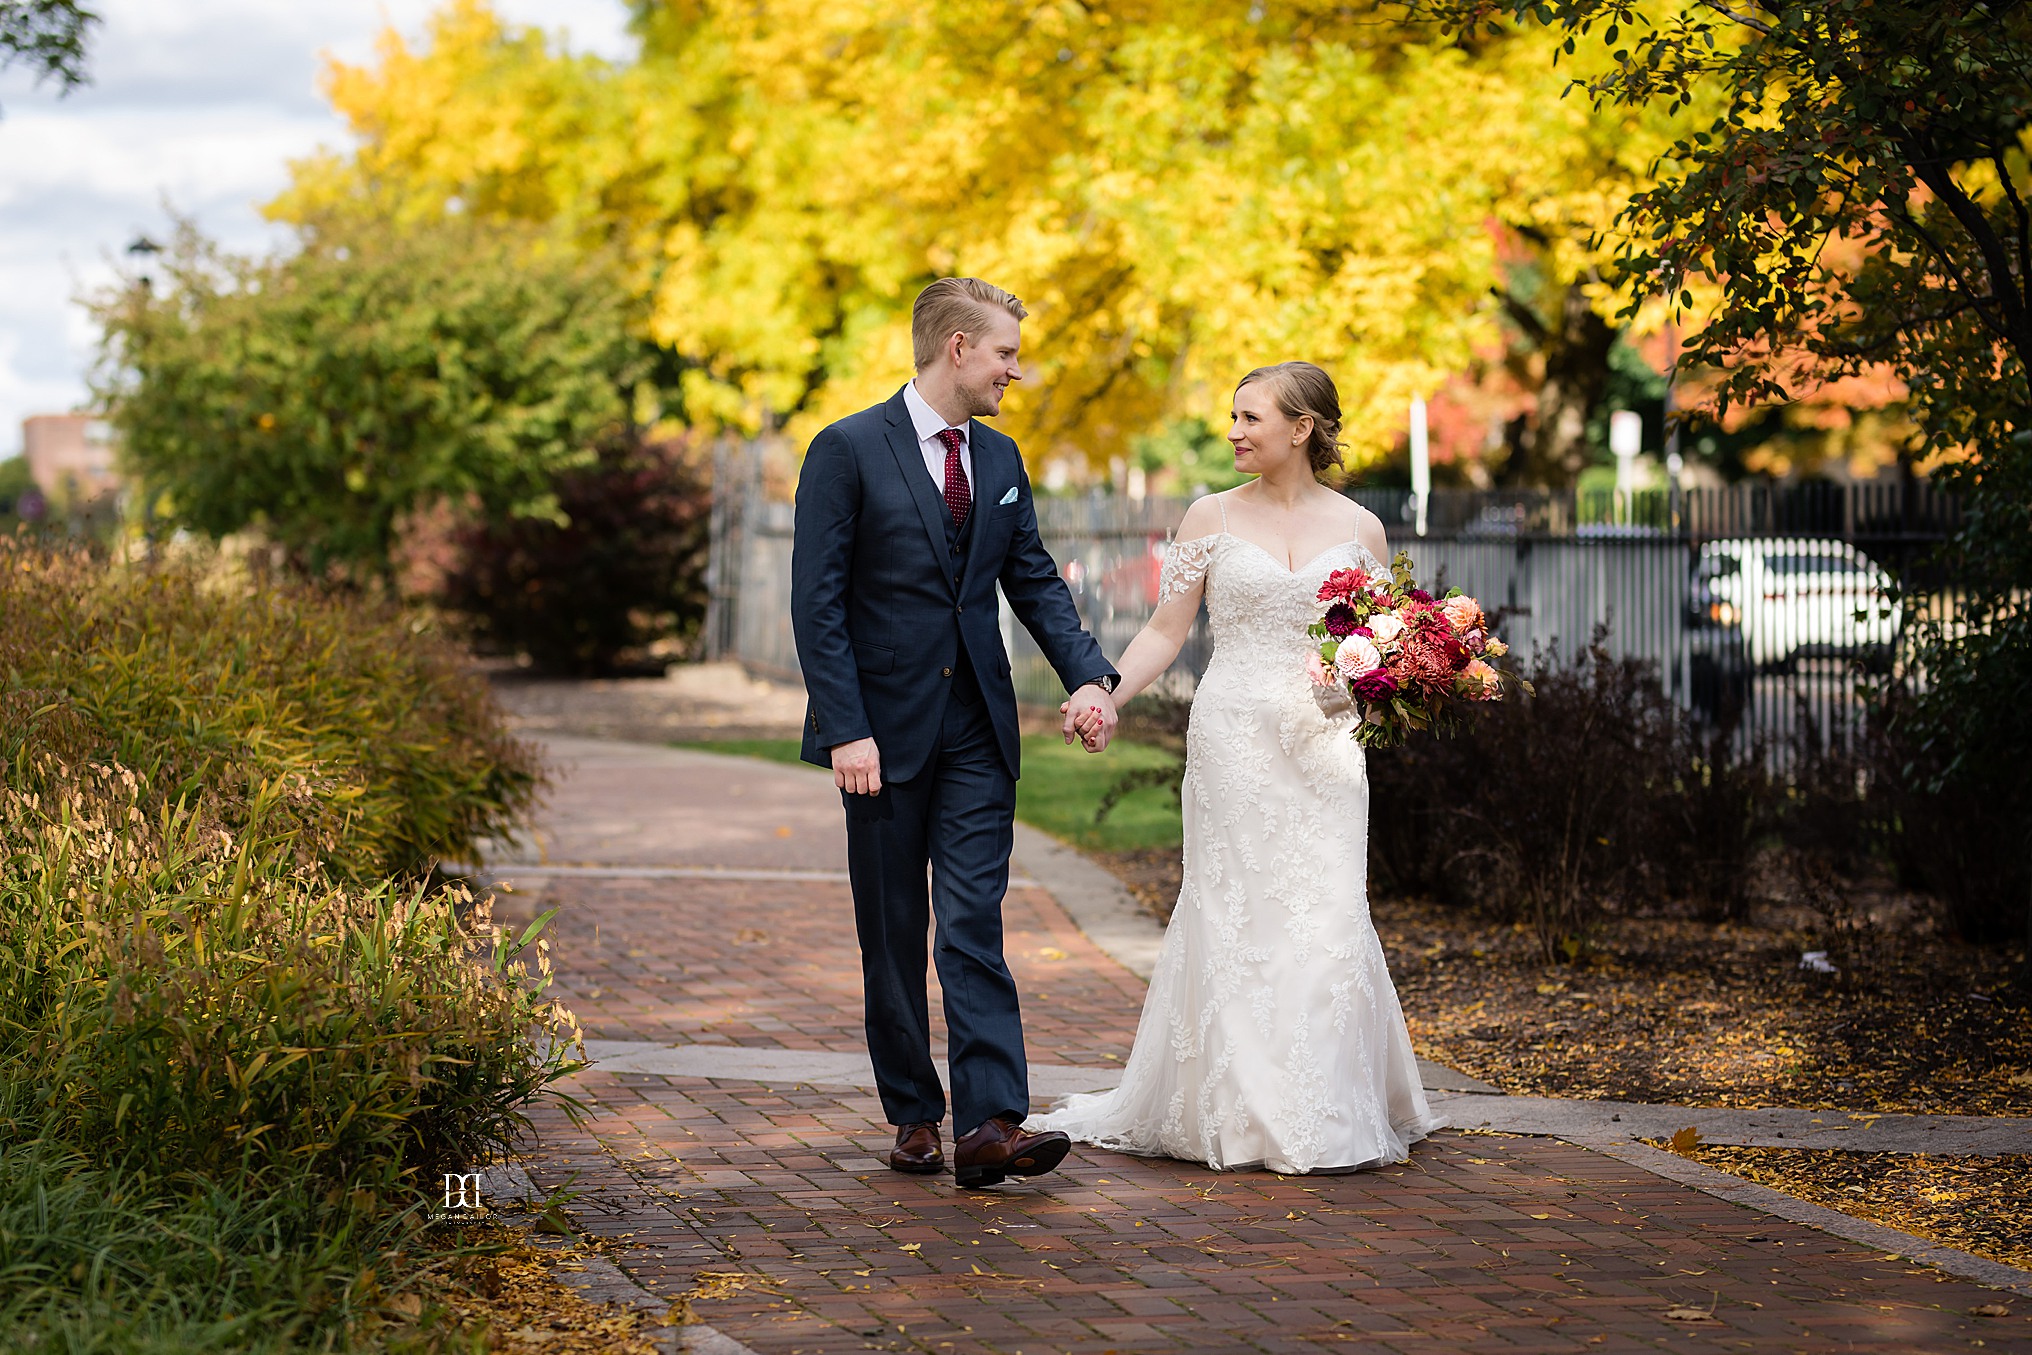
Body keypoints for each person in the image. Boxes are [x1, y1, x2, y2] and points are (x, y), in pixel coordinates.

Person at [1036, 362, 1444, 1174]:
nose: (1233, 430)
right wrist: (1107, 694)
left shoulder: (1362, 528)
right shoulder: (1209, 516)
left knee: (1326, 911)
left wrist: (1381, 682)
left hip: (1326, 747)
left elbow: (1385, 642)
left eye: (1250, 417)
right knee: (1235, 908)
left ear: (1302, 428)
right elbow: (1164, 630)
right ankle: (1237, 1107)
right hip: (1232, 740)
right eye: (1232, 414)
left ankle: (1323, 1106)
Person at [790, 277, 1123, 1187]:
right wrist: (847, 730)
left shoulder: (1004, 458)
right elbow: (816, 606)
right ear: (959, 349)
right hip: (881, 736)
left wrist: (1091, 672)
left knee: (972, 919)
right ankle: (913, 1113)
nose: (1017, 369)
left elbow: (1036, 580)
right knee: (893, 929)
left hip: (980, 724)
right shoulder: (847, 449)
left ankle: (990, 1121)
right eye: (1007, 352)